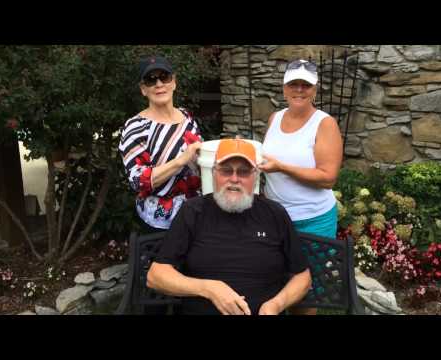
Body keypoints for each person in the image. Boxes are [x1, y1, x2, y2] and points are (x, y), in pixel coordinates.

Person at [147, 139, 311, 315]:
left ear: (255, 176)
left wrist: (276, 305)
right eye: (226, 171)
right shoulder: (193, 212)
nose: (234, 179)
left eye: (243, 172)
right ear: (213, 173)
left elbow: (303, 277)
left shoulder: (274, 213)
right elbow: (156, 276)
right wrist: (209, 288)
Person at [259, 59, 343, 315]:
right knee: (276, 287)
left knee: (305, 294)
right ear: (284, 88)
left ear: (315, 90)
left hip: (312, 221)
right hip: (275, 219)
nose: (299, 90)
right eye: (293, 84)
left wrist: (282, 167)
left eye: (305, 85)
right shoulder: (275, 118)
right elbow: (267, 159)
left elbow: (328, 177)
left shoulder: (324, 123)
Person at [118, 55, 203, 234]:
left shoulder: (187, 117)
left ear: (173, 82)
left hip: (196, 213)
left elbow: (200, 161)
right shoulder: (135, 127)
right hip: (160, 222)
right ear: (143, 89)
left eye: (164, 77)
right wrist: (181, 161)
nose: (159, 84)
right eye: (151, 80)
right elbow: (137, 181)